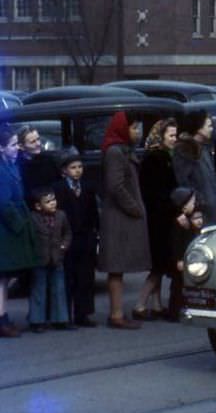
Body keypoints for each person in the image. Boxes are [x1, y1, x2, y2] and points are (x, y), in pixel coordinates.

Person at [97, 111, 151, 330]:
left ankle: (117, 313)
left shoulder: (124, 150)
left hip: (123, 215)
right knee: (116, 266)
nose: (138, 132)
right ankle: (116, 314)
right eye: (134, 128)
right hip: (118, 218)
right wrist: (135, 208)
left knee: (118, 267)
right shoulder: (115, 152)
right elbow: (115, 186)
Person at [134, 118, 178, 321]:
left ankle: (156, 303)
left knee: (159, 263)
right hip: (159, 217)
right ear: (160, 137)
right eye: (171, 136)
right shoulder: (157, 159)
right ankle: (140, 304)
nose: (174, 139)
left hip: (160, 215)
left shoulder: (161, 156)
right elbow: (159, 191)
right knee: (160, 264)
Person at [0, 124, 38, 337]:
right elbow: (4, 203)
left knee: (4, 278)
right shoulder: (2, 170)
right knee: (2, 277)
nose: (17, 148)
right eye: (13, 145)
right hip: (5, 230)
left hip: (8, 228)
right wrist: (20, 225)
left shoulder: (10, 165)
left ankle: (2, 315)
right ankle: (1, 318)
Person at [54, 147, 99, 327]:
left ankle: (83, 314)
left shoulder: (87, 187)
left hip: (85, 236)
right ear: (64, 170)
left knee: (85, 277)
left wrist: (96, 232)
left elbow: (93, 211)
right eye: (73, 167)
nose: (78, 170)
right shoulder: (58, 188)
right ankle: (64, 316)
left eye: (80, 167)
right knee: (67, 278)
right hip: (67, 237)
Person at [28, 186, 73, 332]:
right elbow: (29, 238)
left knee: (59, 289)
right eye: (48, 201)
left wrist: (63, 246)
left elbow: (67, 233)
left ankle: (60, 319)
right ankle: (37, 321)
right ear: (38, 206)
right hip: (39, 259)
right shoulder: (32, 218)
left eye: (53, 199)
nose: (53, 203)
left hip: (57, 258)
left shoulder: (61, 215)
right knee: (39, 290)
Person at [172, 112, 216, 225]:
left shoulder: (203, 148)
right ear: (199, 128)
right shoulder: (185, 150)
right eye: (209, 126)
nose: (212, 129)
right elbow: (183, 181)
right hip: (199, 211)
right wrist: (197, 203)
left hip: (211, 207)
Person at [167, 187, 203, 322]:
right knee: (177, 286)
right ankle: (174, 312)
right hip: (181, 258)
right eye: (191, 202)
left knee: (183, 285)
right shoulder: (179, 221)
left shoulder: (187, 218)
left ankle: (182, 307)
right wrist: (178, 259)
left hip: (186, 257)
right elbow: (176, 241)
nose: (193, 204)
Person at [16, 124, 61, 202]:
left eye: (38, 139)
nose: (38, 144)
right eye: (33, 142)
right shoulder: (17, 165)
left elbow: (57, 183)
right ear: (21, 146)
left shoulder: (48, 159)